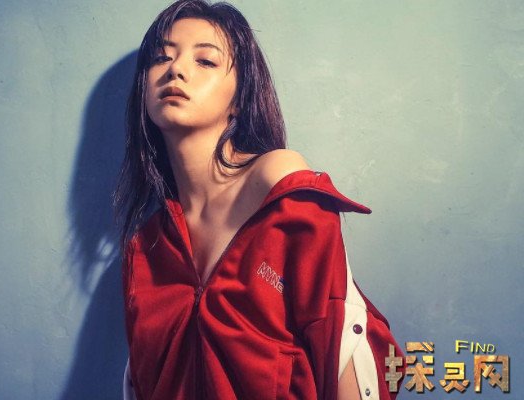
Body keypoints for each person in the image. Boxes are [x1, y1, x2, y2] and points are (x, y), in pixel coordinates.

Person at [113, 1, 404, 398]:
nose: (176, 69)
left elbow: (338, 337)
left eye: (205, 61)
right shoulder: (146, 246)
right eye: (161, 57)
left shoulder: (278, 183)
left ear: (239, 98)